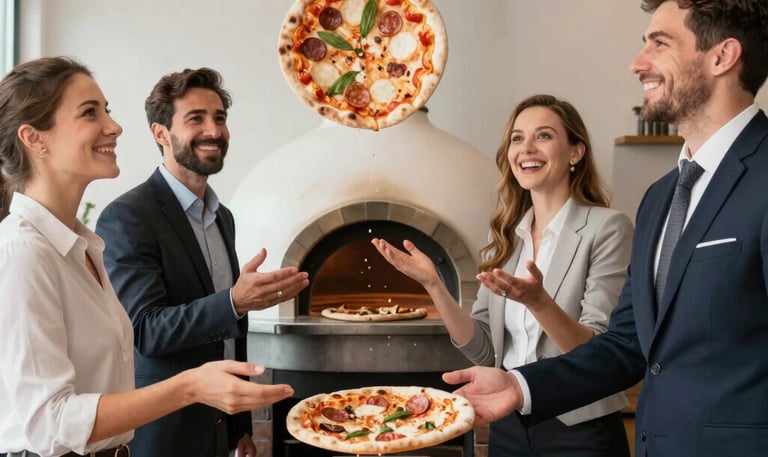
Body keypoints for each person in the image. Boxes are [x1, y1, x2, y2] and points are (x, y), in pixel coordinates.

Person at [442, 1, 768, 456]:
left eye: (660, 43)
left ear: (722, 56)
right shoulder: (659, 198)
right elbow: (625, 347)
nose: (638, 63)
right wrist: (519, 387)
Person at [0, 56, 294, 457]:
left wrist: (237, 423)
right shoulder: (24, 250)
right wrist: (192, 383)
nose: (115, 127)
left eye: (107, 111)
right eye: (90, 112)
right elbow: (49, 422)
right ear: (35, 139)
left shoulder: (84, 246)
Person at [372, 94, 633, 456]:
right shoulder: (507, 238)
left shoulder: (607, 228)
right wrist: (434, 284)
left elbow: (598, 352)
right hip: (509, 423)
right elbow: (483, 350)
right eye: (517, 138)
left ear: (576, 152)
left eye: (543, 136)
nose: (527, 148)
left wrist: (539, 303)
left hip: (578, 424)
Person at [94, 67, 309, 457]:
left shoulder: (223, 216)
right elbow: (145, 330)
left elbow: (227, 336)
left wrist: (239, 428)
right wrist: (234, 302)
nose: (214, 130)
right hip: (162, 433)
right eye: (196, 118)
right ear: (161, 134)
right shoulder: (127, 216)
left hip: (219, 431)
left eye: (220, 118)